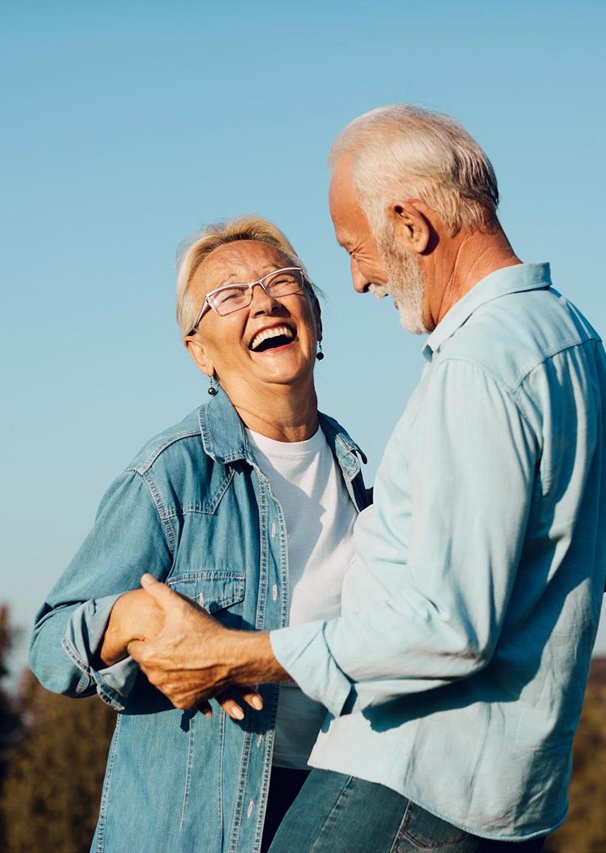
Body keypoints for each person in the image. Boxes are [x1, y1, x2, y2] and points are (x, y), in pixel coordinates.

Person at [127, 105, 606, 852]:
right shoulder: (573, 339)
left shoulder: (478, 370)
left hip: (407, 782)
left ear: (412, 226)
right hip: (512, 796)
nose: (356, 280)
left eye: (358, 248)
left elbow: (447, 628)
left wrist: (235, 652)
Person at [29, 215, 369, 852]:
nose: (263, 301)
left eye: (281, 280)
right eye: (229, 296)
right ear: (199, 351)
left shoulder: (362, 475)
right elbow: (51, 645)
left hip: (332, 806)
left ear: (315, 315)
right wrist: (131, 617)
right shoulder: (174, 473)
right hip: (200, 828)